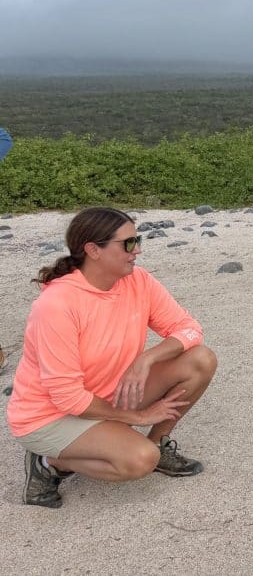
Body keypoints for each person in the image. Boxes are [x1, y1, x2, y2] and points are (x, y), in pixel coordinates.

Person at [6, 207, 217, 508]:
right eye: (128, 243)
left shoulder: (137, 281)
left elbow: (190, 330)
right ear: (93, 250)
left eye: (138, 239)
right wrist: (138, 417)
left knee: (201, 360)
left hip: (107, 393)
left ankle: (158, 441)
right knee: (139, 459)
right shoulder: (56, 305)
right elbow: (67, 397)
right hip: (49, 416)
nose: (138, 250)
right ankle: (49, 462)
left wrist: (146, 359)